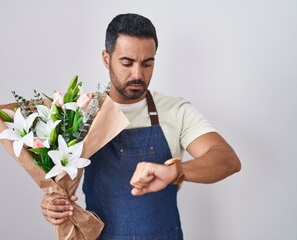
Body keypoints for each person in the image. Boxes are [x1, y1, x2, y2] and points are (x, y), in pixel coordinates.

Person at [40, 13, 241, 239]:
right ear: (106, 59)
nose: (138, 74)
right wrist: (54, 203)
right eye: (127, 63)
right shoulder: (82, 115)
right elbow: (62, 187)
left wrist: (175, 170)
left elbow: (227, 160)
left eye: (147, 63)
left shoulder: (175, 111)